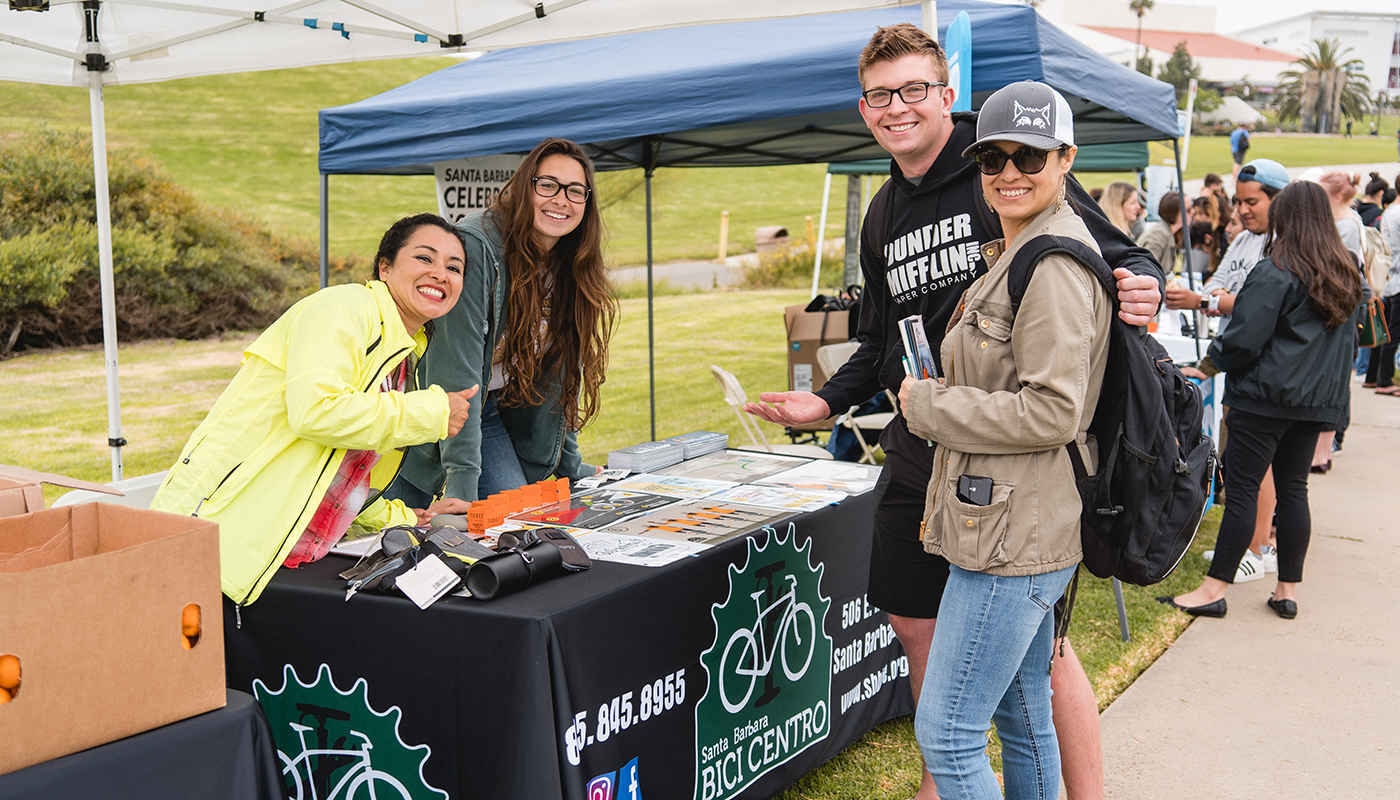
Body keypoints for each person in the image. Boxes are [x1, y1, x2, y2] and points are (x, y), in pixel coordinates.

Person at [742, 23, 1164, 800]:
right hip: (925, 450)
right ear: (863, 108)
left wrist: (1146, 282)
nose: (897, 108)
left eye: (913, 90)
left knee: (1039, 657)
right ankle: (949, 777)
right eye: (880, 96)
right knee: (917, 621)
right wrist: (827, 398)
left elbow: (1112, 256)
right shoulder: (883, 216)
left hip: (1014, 469)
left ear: (946, 94)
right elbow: (877, 340)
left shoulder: (1006, 157)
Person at [899, 80, 1109, 800]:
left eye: (1031, 156)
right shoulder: (1020, 250)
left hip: (1013, 540)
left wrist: (932, 409)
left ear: (1065, 159)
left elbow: (1052, 412)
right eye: (994, 160)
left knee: (949, 736)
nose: (1010, 173)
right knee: (1023, 718)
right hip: (1015, 528)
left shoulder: (1050, 264)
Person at [151, 214, 478, 605]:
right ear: (384, 267)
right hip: (218, 551)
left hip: (284, 560)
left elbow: (338, 468)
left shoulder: (405, 352)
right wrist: (431, 411)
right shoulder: (344, 307)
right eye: (425, 258)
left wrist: (409, 517)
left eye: (454, 267)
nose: (441, 273)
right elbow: (317, 413)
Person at [1165, 180, 1363, 619]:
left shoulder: (1276, 268)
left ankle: (1213, 589)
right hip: (1319, 401)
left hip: (1265, 397)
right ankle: (1287, 590)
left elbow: (1245, 337)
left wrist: (1209, 364)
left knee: (1242, 491)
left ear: (1286, 216)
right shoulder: (1347, 269)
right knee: (1295, 491)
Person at [385, 138, 617, 513]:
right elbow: (454, 367)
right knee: (389, 533)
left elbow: (561, 376)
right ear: (525, 187)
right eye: (548, 185)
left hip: (491, 407)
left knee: (524, 516)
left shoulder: (569, 263)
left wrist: (569, 467)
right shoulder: (477, 246)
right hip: (433, 404)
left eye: (576, 191)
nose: (561, 199)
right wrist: (463, 483)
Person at [1164, 159, 1288, 335]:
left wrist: (1206, 302)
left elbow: (1260, 305)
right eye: (1239, 202)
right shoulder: (1242, 239)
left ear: (1279, 199)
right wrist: (1218, 295)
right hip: (1228, 346)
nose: (1243, 210)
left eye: (1251, 202)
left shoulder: (1288, 244)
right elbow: (1213, 281)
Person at [1373, 191, 1400, 396]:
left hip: (1391, 278)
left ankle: (1377, 377)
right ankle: (1383, 380)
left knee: (1388, 332)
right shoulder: (1398, 213)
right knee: (1394, 333)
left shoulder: (1389, 210)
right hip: (1397, 280)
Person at [1136, 192, 1184, 272]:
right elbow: (1148, 269)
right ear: (1174, 212)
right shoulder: (1159, 234)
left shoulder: (1169, 232)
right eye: (1188, 210)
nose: (1192, 212)